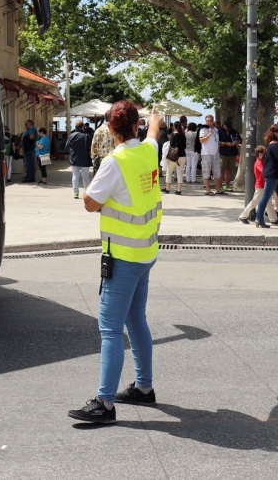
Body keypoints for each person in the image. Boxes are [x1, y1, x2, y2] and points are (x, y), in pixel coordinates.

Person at [68, 103, 162, 423]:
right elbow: (154, 133)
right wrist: (156, 118)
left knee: (110, 330)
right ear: (136, 125)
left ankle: (105, 403)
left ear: (109, 129)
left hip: (123, 256)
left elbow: (90, 203)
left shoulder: (114, 162)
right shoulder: (150, 151)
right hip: (146, 253)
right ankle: (144, 388)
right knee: (136, 321)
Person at [238, 146, 278, 225]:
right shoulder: (258, 163)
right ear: (260, 154)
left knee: (269, 203)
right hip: (261, 186)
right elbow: (264, 171)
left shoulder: (262, 162)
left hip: (264, 185)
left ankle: (274, 219)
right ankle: (242, 216)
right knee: (255, 202)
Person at [66, 120, 93, 199]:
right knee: (86, 176)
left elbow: (67, 147)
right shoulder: (86, 136)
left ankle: (76, 192)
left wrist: (72, 153)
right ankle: (87, 192)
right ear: (82, 127)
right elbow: (89, 148)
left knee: (75, 175)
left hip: (74, 158)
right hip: (84, 158)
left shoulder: (71, 135)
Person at [199, 114, 221, 195]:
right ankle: (208, 190)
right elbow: (201, 140)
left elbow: (217, 141)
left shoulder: (215, 129)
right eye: (207, 120)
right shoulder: (203, 130)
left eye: (211, 120)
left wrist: (218, 150)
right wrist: (209, 134)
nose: (209, 122)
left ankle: (218, 189)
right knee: (206, 172)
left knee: (217, 172)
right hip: (206, 153)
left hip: (215, 153)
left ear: (213, 121)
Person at [164, 121, 185, 195]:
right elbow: (184, 146)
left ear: (174, 126)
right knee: (180, 173)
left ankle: (167, 188)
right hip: (182, 156)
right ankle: (179, 190)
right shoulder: (183, 135)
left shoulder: (173, 134)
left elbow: (172, 144)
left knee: (169, 172)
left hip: (174, 156)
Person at [218, 120, 240, 192]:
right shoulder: (219, 131)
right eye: (227, 127)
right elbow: (217, 142)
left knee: (229, 170)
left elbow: (240, 140)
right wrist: (225, 144)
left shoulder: (234, 131)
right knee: (222, 170)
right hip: (223, 153)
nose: (228, 128)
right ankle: (219, 185)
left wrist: (236, 142)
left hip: (232, 153)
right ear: (223, 125)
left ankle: (227, 185)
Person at [91, 110, 115, 174]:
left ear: (105, 118)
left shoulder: (98, 130)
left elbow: (94, 145)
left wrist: (93, 157)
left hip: (101, 161)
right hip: (114, 160)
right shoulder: (116, 129)